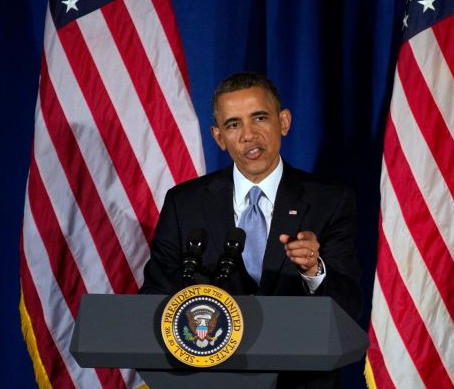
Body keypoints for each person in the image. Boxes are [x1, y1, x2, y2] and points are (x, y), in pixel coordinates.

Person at [140, 72, 363, 387]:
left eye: (259, 118)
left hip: (301, 381)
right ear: (219, 137)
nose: (248, 135)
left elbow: (350, 306)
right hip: (209, 381)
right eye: (233, 124)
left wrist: (315, 271)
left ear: (283, 122)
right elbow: (155, 296)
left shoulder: (329, 201)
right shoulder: (185, 203)